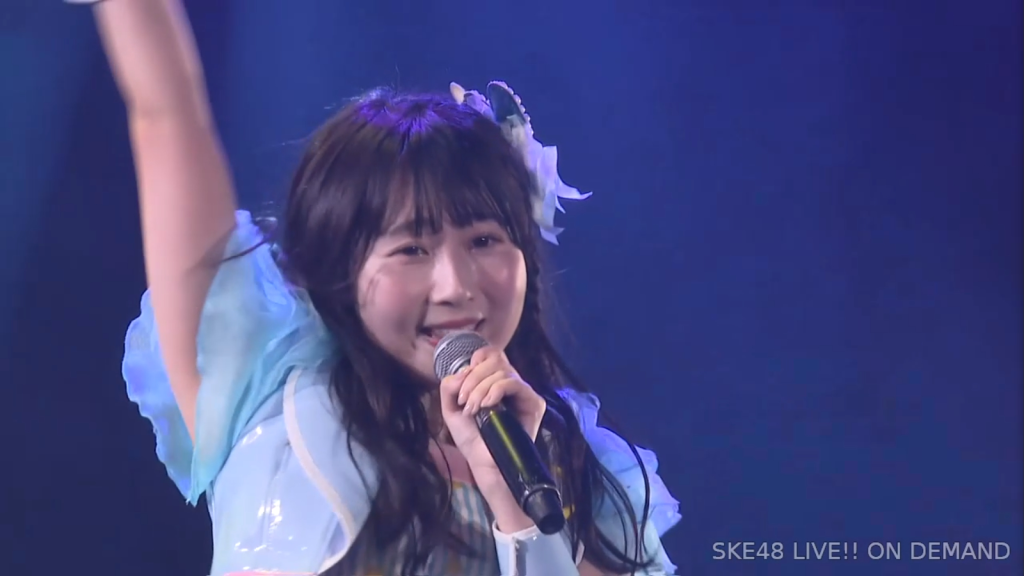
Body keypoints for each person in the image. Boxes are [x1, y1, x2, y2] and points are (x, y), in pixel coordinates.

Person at [76, 0, 680, 573]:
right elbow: (167, 116)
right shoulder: (260, 387)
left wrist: (517, 507)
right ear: (340, 268)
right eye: (412, 249)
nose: (456, 287)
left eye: (484, 240)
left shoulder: (574, 472)